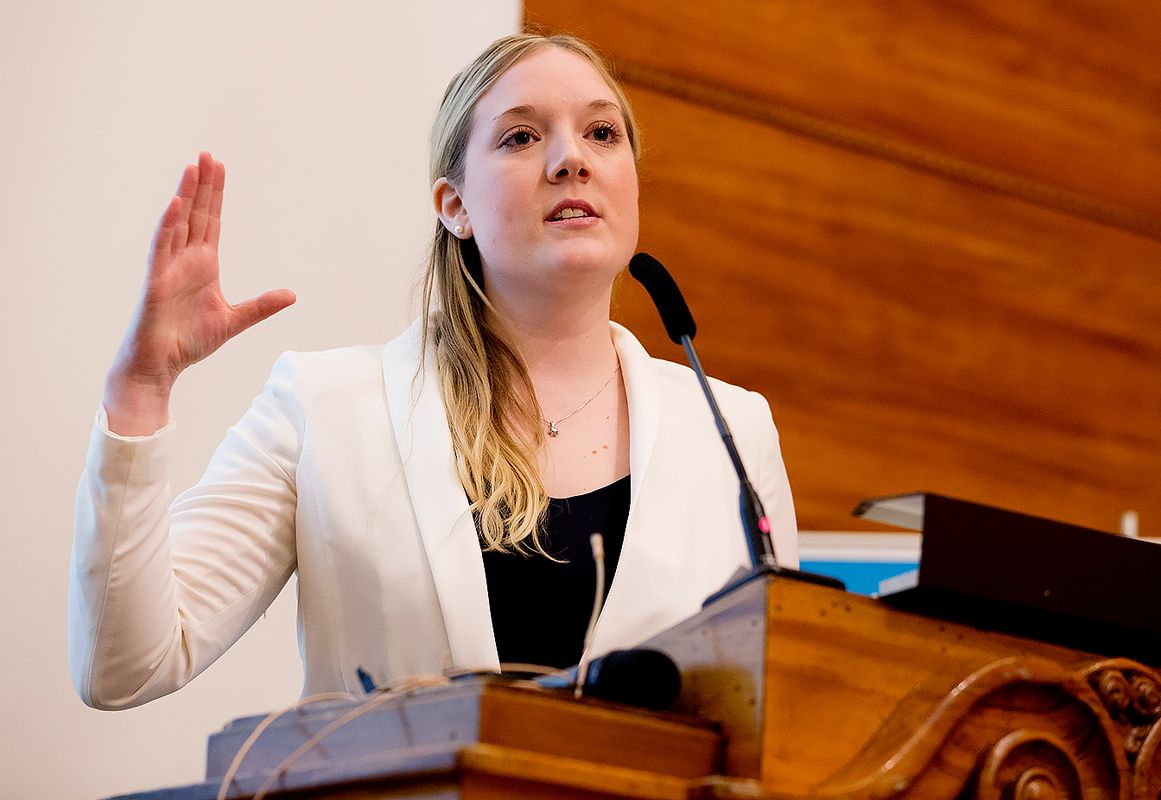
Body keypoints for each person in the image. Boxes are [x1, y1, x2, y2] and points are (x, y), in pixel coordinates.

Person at [68, 32, 799, 710]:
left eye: (602, 132)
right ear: (455, 207)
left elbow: (790, 703)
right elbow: (123, 667)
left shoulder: (730, 432)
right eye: (521, 136)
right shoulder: (324, 410)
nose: (572, 158)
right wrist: (140, 392)